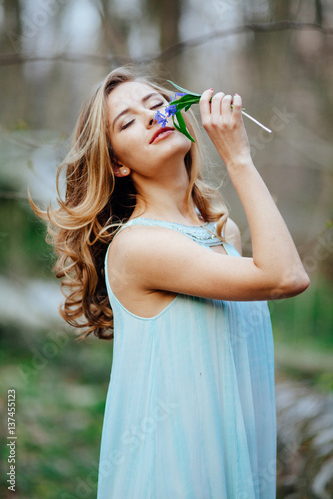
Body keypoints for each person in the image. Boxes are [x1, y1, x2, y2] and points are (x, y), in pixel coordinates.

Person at [29, 65, 310, 498]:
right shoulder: (139, 246)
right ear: (118, 163)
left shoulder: (223, 233)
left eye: (158, 104)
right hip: (173, 477)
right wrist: (238, 157)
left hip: (235, 466)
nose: (150, 117)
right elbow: (285, 277)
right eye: (126, 121)